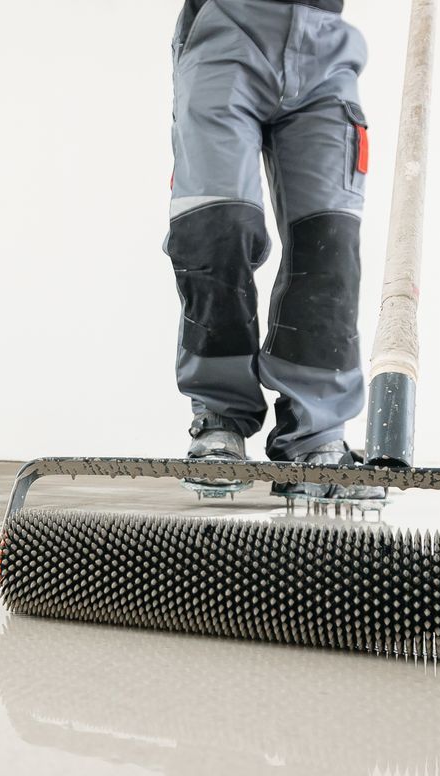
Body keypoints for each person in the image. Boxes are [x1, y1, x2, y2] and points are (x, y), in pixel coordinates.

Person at [168, 0, 384, 502]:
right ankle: (220, 416)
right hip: (227, 29)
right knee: (216, 228)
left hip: (325, 50)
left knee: (329, 245)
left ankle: (315, 434)